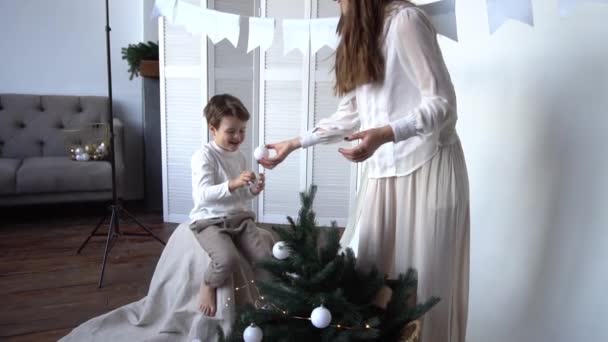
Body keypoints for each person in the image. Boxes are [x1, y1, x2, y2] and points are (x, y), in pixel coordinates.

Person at [259, 1, 470, 341]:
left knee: (422, 289)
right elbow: (351, 113)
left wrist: (387, 133)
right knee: (372, 283)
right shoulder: (360, 31)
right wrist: (296, 143)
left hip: (427, 166)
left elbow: (443, 104)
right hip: (384, 169)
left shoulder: (406, 21)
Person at [190, 94, 270, 317]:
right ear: (213, 129)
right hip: (210, 221)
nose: (238, 136)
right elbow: (203, 195)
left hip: (238, 218)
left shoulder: (240, 156)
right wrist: (233, 183)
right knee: (227, 259)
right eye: (231, 131)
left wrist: (253, 189)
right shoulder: (203, 156)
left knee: (265, 256)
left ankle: (268, 300)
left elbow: (241, 196)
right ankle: (207, 284)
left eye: (242, 130)